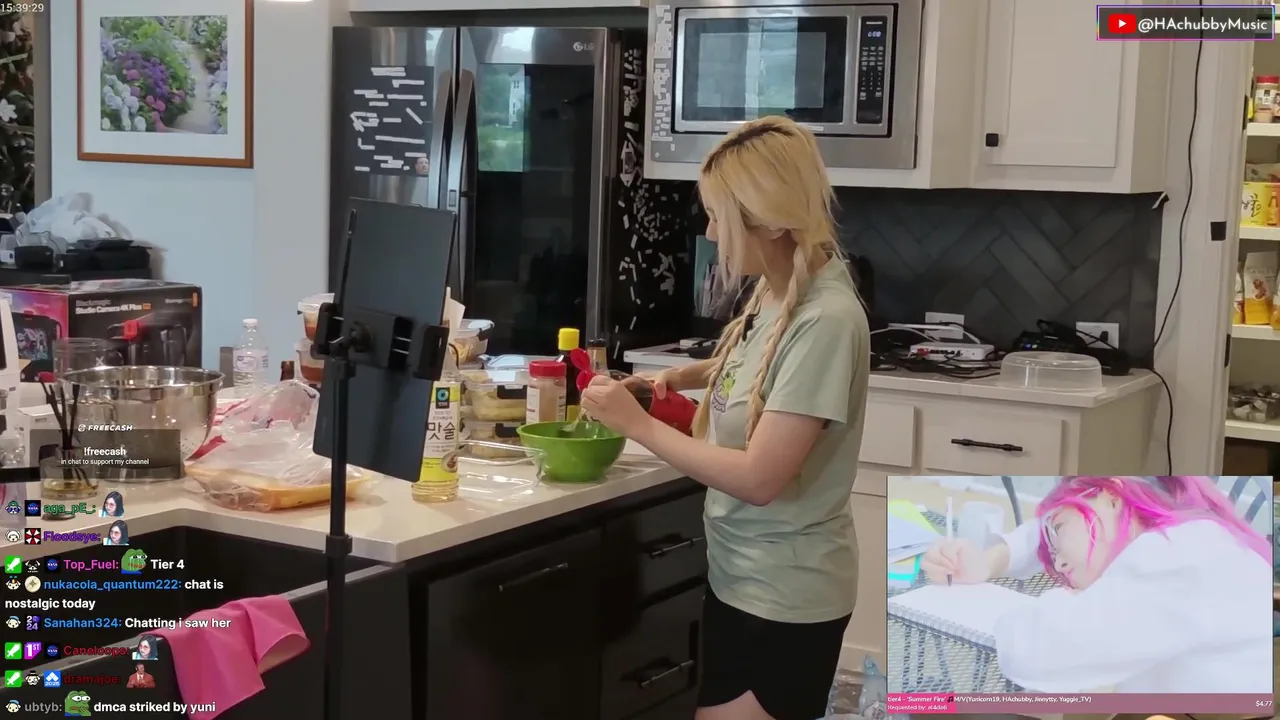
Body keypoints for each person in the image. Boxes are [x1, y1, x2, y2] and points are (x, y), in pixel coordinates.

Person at [581, 116, 870, 720]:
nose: (710, 232)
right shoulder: (781, 288)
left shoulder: (826, 321)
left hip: (785, 596)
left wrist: (638, 426)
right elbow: (761, 366)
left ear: (771, 221)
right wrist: (684, 377)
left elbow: (759, 479)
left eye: (719, 216)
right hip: (740, 577)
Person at [920, 476, 1272, 693]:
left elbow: (1035, 652)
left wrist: (1061, 600)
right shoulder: (1200, 539)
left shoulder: (1175, 555)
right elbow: (1053, 526)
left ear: (1110, 494)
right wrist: (987, 562)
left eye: (1058, 531)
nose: (1058, 565)